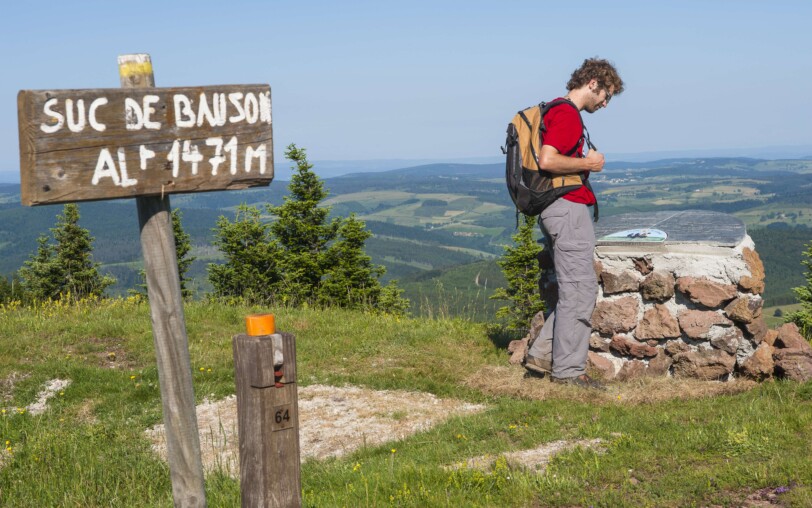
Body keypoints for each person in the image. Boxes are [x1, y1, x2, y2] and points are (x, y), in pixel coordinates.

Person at [523, 58, 624, 389]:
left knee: (573, 291)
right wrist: (588, 164)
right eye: (606, 96)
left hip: (556, 210)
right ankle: (568, 373)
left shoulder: (556, 111)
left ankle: (540, 356)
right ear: (593, 83)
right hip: (566, 209)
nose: (605, 104)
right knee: (579, 292)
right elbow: (547, 160)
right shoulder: (567, 113)